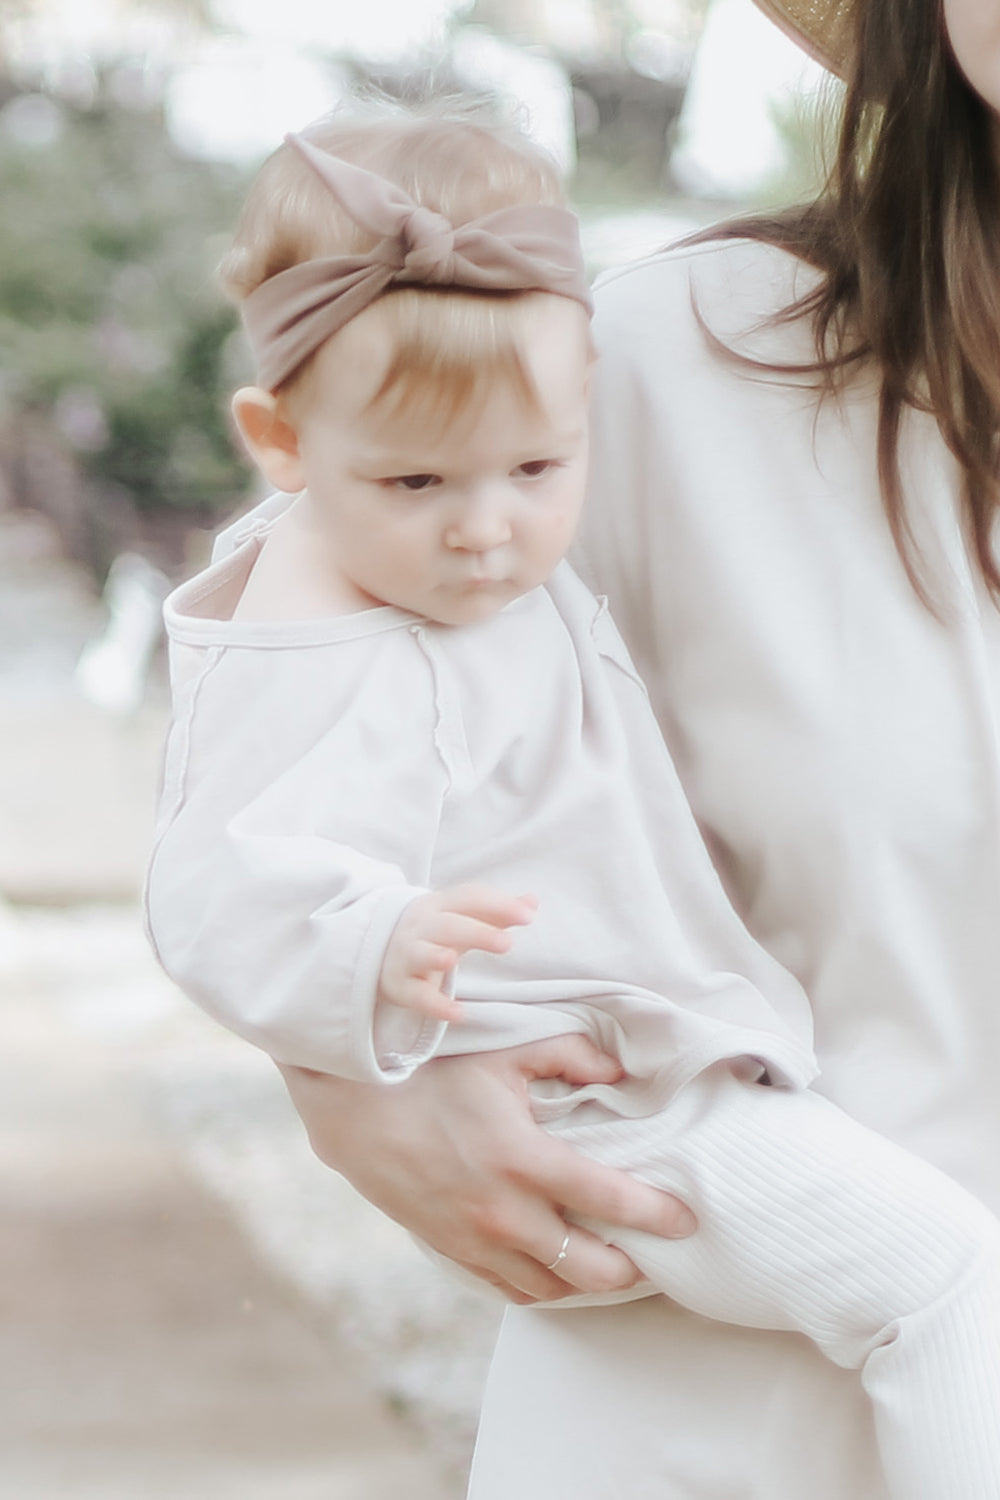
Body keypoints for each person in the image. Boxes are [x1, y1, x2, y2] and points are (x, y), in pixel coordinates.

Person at [146, 87, 1000, 1499]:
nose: (486, 519)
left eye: (533, 471)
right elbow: (300, 664)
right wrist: (353, 1053)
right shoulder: (682, 364)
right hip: (713, 1385)